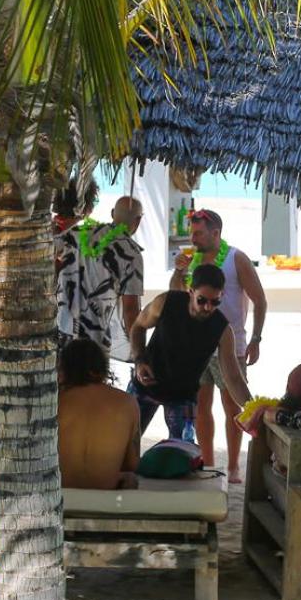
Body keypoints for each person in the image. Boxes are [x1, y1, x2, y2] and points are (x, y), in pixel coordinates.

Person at [170, 208, 266, 482]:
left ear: (216, 233)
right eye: (192, 233)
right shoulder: (192, 261)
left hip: (231, 344)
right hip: (196, 346)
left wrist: (256, 338)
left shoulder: (236, 258)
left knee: (232, 408)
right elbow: (176, 293)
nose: (193, 238)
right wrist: (179, 271)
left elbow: (260, 300)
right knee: (201, 407)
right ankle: (209, 463)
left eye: (198, 233)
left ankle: (234, 466)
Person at [129, 263, 255, 442]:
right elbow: (138, 327)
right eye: (202, 300)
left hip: (182, 396)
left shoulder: (223, 330)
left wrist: (253, 407)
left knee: (182, 451)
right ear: (191, 292)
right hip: (145, 385)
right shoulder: (166, 303)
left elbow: (233, 377)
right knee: (123, 441)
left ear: (221, 297)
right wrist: (139, 361)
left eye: (215, 302)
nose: (208, 307)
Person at [56, 182, 145, 384]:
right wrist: (140, 354)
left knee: (63, 390)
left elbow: (47, 256)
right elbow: (131, 310)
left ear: (113, 213)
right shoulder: (131, 253)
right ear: (138, 221)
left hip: (62, 331)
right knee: (93, 393)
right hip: (95, 340)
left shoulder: (75, 234)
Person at [58, 338, 140, 490]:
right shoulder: (127, 402)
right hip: (105, 493)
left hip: (59, 492)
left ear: (64, 369)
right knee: (131, 479)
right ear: (102, 368)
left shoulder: (53, 401)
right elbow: (132, 464)